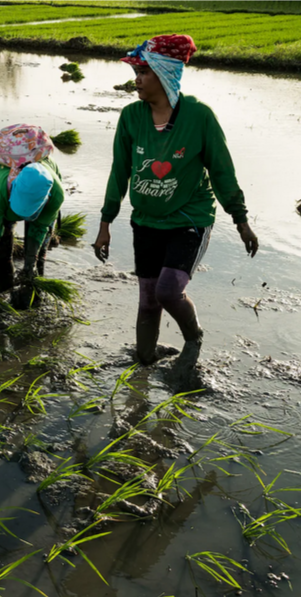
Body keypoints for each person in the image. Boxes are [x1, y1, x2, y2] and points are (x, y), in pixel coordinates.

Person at [91, 34, 259, 384]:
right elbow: (119, 172)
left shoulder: (199, 117)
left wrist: (241, 220)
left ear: (165, 75)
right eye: (135, 73)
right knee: (148, 300)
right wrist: (105, 223)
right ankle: (144, 362)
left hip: (189, 219)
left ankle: (193, 339)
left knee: (168, 291)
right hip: (146, 221)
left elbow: (222, 171)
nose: (136, 80)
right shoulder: (131, 116)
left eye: (143, 73)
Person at [0, 124, 65, 306]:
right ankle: (4, 287)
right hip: (6, 200)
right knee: (1, 249)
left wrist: (30, 265)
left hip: (43, 205)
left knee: (38, 258)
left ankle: (33, 291)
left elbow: (39, 229)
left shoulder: (56, 194)